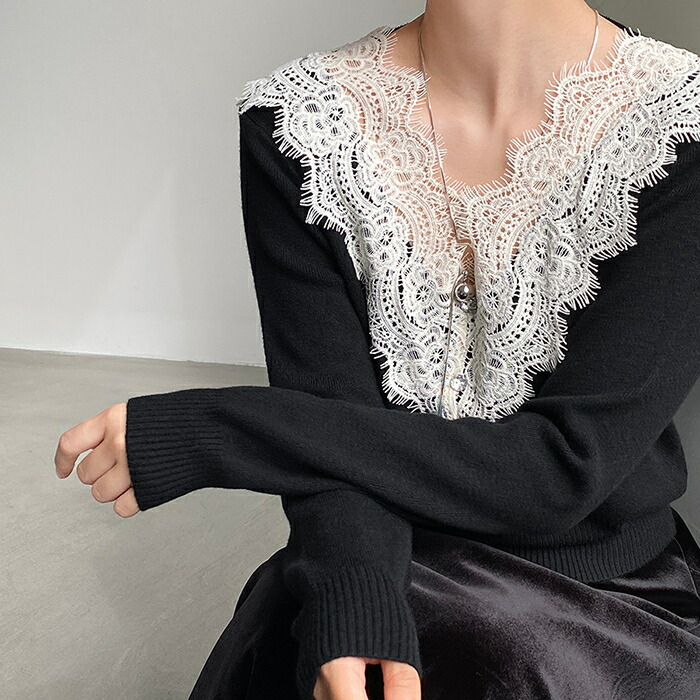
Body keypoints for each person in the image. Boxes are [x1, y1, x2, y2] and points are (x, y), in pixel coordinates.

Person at [54, 1, 700, 698]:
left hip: (604, 595)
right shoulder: (302, 122)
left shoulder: (674, 119)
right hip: (377, 549)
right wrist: (354, 603)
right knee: (300, 636)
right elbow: (333, 413)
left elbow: (564, 468)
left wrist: (221, 429)